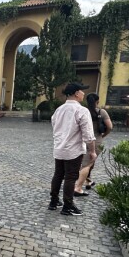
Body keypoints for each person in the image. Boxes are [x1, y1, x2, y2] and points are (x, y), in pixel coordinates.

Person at [49, 82, 97, 216]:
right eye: (82, 91)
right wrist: (92, 151)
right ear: (76, 93)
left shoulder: (59, 110)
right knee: (71, 177)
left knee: (58, 175)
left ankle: (53, 201)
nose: (83, 94)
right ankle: (68, 205)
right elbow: (88, 134)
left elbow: (54, 127)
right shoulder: (81, 110)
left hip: (59, 148)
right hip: (74, 149)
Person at [74, 93, 112, 195]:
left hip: (82, 139)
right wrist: (103, 135)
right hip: (96, 140)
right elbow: (110, 127)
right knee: (87, 164)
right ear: (97, 101)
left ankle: (88, 180)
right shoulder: (101, 112)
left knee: (86, 162)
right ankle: (77, 187)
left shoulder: (82, 111)